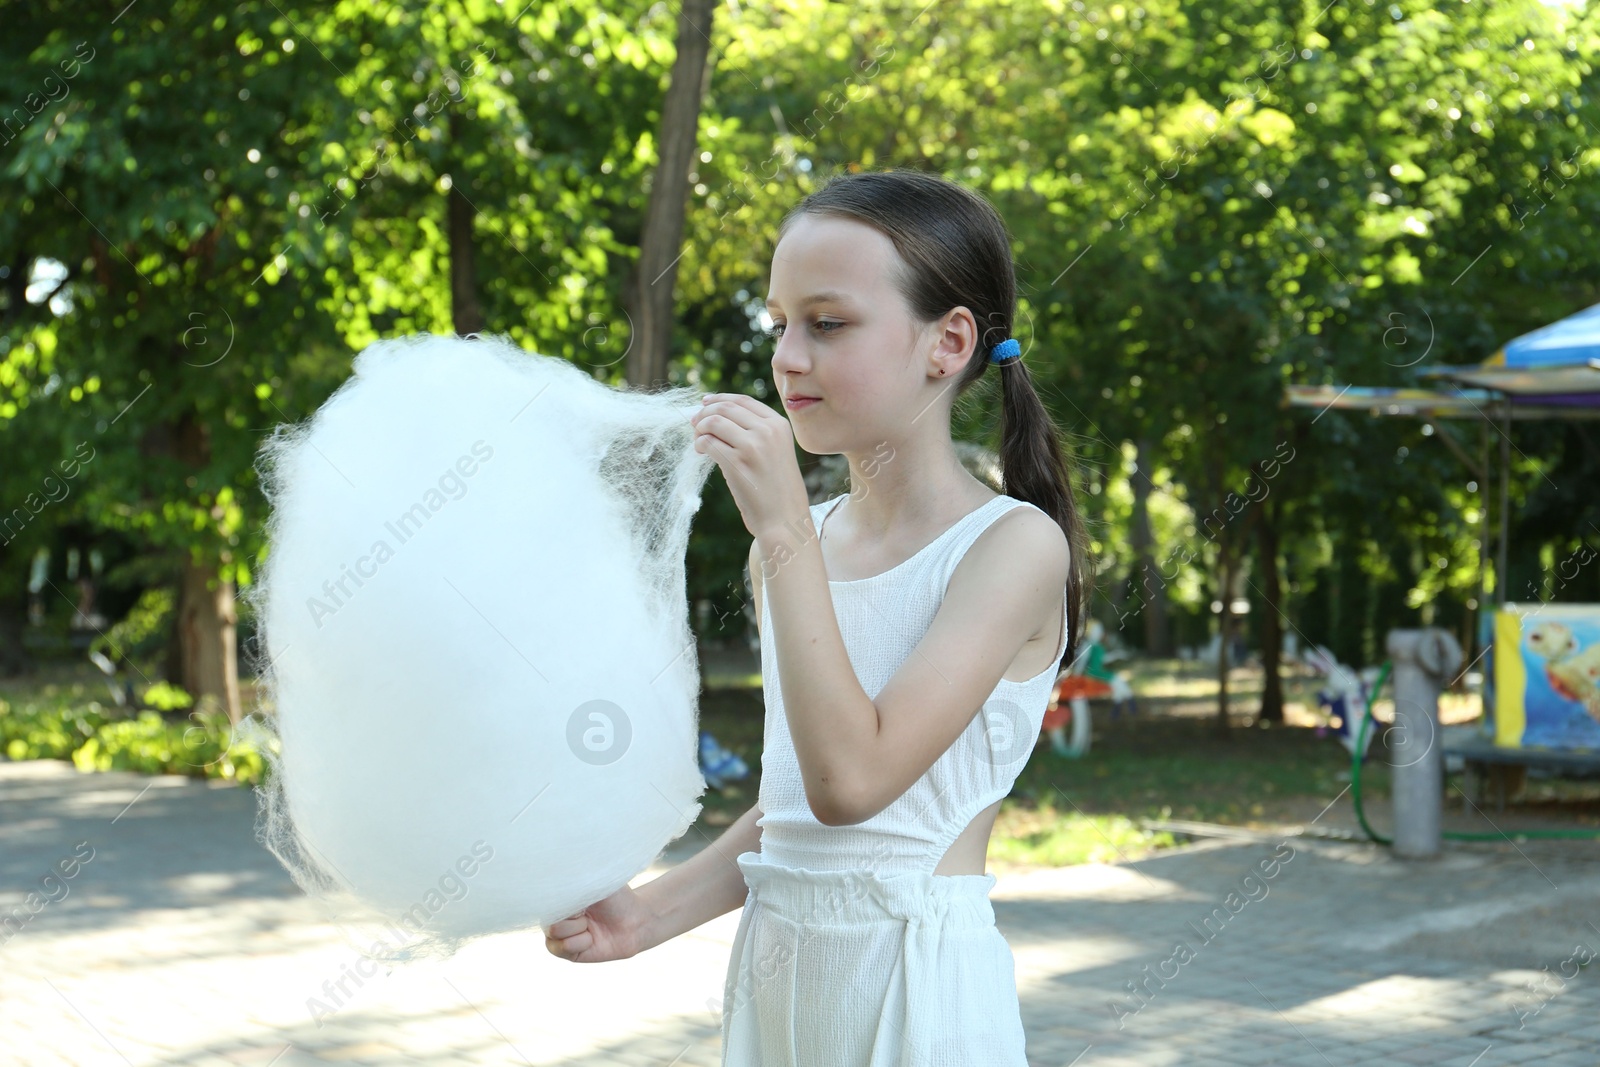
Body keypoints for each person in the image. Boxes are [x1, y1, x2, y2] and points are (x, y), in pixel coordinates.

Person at [541, 167, 1091, 1066]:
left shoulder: (1012, 549)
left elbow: (853, 782)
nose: (787, 357)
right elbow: (793, 804)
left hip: (916, 993)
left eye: (827, 324)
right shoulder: (791, 549)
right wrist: (650, 913)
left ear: (948, 342)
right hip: (779, 981)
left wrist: (786, 528)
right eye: (779, 325)